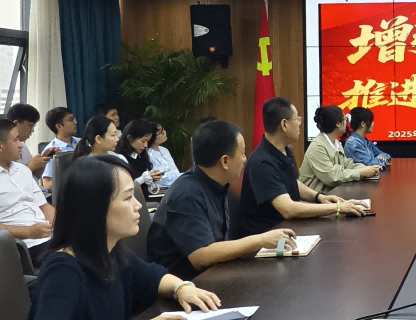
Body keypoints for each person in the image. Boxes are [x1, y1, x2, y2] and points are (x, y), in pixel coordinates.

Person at [17, 155, 222, 320]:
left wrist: (182, 289)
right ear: (96, 208)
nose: (138, 206)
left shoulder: (112, 253)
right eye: (128, 197)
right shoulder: (63, 269)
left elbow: (155, 277)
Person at [148, 121, 298, 281]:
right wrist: (260, 240)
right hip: (186, 286)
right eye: (242, 153)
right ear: (224, 161)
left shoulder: (217, 184)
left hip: (214, 275)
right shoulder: (186, 195)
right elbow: (201, 256)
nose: (245, 159)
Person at [237, 97, 368, 239]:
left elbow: (292, 182)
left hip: (288, 228)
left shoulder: (285, 150)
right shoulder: (262, 162)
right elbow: (288, 209)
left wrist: (319, 197)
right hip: (267, 238)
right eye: (297, 120)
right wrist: (337, 208)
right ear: (284, 124)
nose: (300, 125)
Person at [0, 118, 55, 246]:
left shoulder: (22, 170)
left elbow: (44, 206)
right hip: (21, 245)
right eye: (16, 140)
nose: (20, 144)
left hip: (47, 237)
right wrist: (28, 232)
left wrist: (65, 226)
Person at [300, 105, 381, 194]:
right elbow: (332, 177)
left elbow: (347, 165)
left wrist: (367, 169)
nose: (347, 123)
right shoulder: (317, 147)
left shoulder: (336, 143)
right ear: (338, 124)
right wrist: (360, 173)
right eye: (345, 119)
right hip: (315, 199)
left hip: (333, 194)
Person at [6, 103, 55, 180]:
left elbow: (34, 177)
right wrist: (31, 166)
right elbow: (11, 182)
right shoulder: (4, 150)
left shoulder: (23, 146)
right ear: (16, 124)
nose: (32, 130)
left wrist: (42, 160)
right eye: (30, 126)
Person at [115, 119, 163, 193]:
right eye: (143, 141)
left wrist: (152, 178)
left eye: (148, 141)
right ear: (130, 138)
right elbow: (123, 187)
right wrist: (143, 179)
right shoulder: (120, 158)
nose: (145, 145)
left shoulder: (141, 156)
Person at [41, 106, 80, 186]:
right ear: (59, 126)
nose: (75, 122)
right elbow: (47, 182)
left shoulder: (81, 142)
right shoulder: (51, 151)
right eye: (71, 120)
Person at [147, 122, 182, 188]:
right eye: (161, 132)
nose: (165, 132)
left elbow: (175, 171)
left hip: (176, 186)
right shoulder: (148, 154)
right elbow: (161, 179)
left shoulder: (164, 150)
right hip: (160, 190)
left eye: (163, 130)